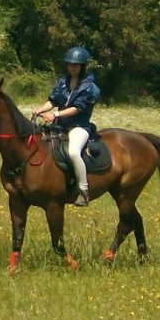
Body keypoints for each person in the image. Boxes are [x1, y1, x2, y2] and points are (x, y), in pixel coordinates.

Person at [31, 45, 101, 207]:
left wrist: (55, 114)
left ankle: (83, 191)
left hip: (79, 127)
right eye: (70, 64)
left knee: (73, 152)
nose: (72, 68)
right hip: (60, 125)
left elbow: (78, 108)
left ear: (82, 66)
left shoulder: (90, 87)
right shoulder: (63, 81)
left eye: (76, 65)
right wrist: (40, 109)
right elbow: (53, 100)